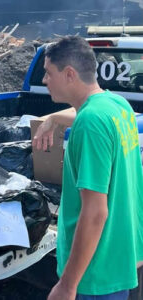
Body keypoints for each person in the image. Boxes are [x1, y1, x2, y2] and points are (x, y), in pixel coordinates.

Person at [33, 36, 143, 300]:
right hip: (121, 256)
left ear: (69, 74)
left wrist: (68, 285)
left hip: (94, 272)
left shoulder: (90, 124)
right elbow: (86, 111)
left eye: (48, 73)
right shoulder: (116, 105)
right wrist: (52, 119)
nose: (45, 81)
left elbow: (95, 213)